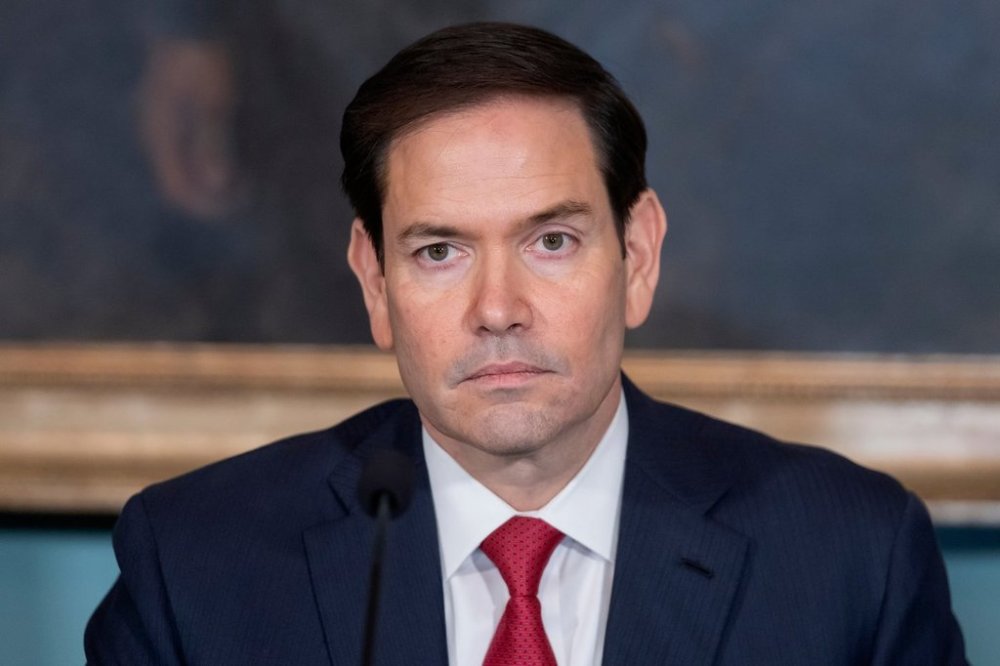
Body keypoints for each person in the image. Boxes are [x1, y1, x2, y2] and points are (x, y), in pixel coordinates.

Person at [85, 22, 967, 665]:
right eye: (440, 251)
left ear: (640, 254)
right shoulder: (198, 565)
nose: (497, 308)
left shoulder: (849, 557)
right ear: (373, 280)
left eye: (551, 241)